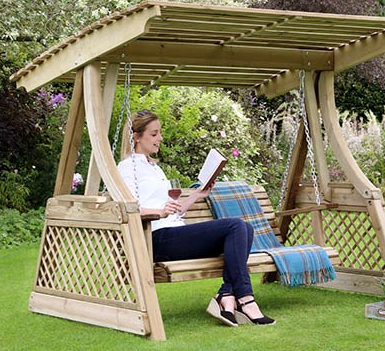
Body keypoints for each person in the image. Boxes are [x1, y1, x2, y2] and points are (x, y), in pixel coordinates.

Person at [117, 109, 275, 327]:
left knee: (245, 228)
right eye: (154, 134)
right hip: (154, 238)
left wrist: (198, 194)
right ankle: (245, 299)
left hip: (173, 232)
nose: (160, 138)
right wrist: (159, 211)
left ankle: (227, 295)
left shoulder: (154, 168)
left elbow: (174, 210)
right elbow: (124, 207)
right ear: (136, 137)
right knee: (236, 226)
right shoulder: (127, 168)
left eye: (159, 133)